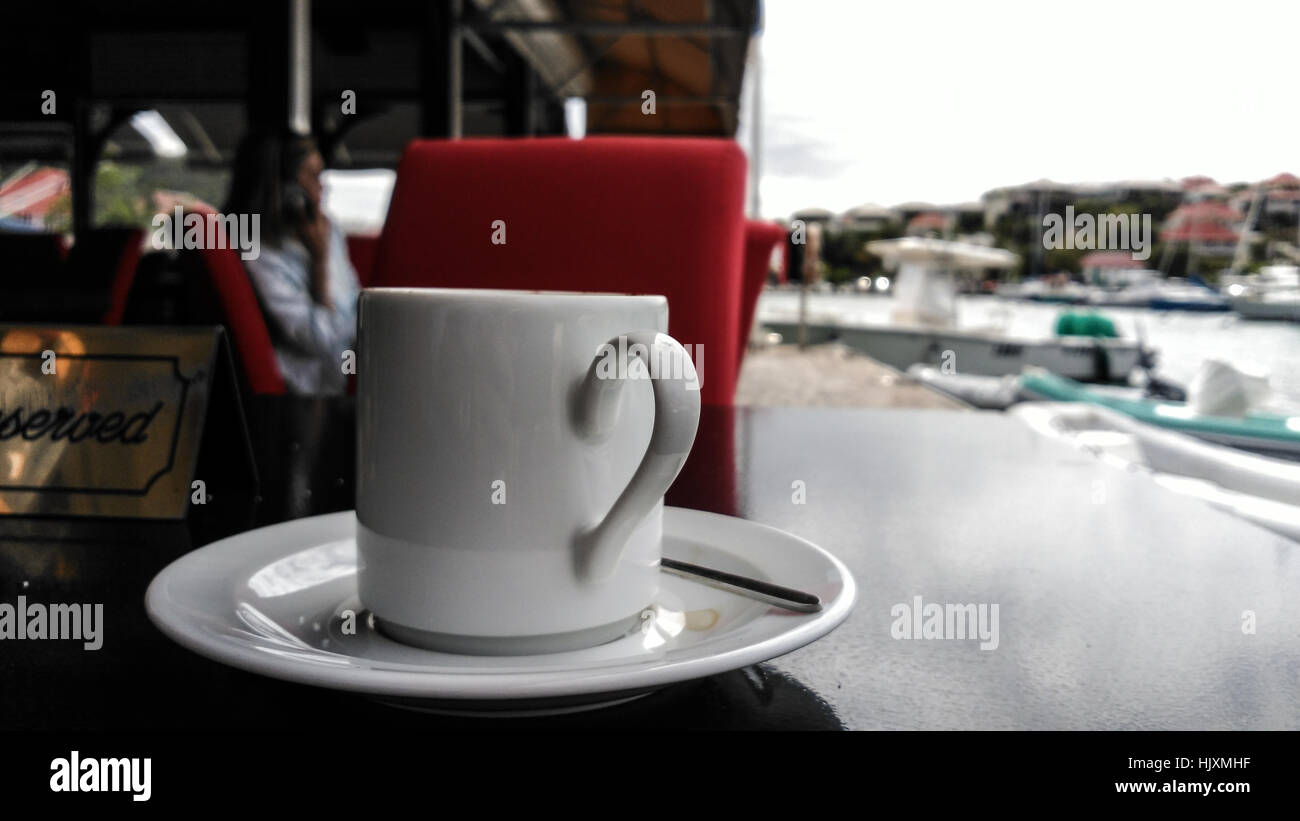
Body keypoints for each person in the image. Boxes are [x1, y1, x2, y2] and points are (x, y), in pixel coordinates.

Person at [224, 130, 360, 394]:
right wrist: (319, 264)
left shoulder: (327, 232)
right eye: (313, 176)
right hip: (307, 390)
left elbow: (357, 309)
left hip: (346, 374)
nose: (323, 187)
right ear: (287, 191)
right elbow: (320, 338)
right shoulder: (258, 253)